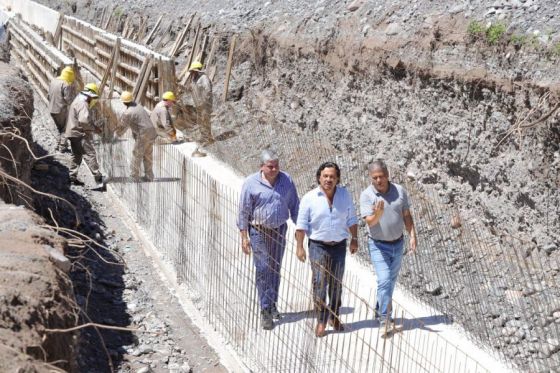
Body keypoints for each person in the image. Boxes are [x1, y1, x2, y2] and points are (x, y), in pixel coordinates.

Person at [237, 150, 299, 330]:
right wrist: (244, 236)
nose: (274, 169)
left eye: (276, 166)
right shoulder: (251, 183)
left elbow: (294, 204)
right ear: (261, 167)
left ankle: (272, 305)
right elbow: (243, 211)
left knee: (275, 269)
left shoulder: (286, 180)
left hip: (279, 230)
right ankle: (265, 310)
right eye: (270, 166)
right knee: (263, 269)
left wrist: (301, 230)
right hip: (258, 231)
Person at [295, 162, 358, 337]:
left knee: (336, 283)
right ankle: (322, 320)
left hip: (339, 246)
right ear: (319, 177)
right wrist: (299, 247)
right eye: (325, 176)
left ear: (337, 179)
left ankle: (335, 316)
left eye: (332, 176)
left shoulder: (345, 195)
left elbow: (352, 218)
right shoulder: (309, 197)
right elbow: (301, 225)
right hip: (318, 246)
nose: (328, 179)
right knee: (320, 283)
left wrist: (355, 239)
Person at [359, 159, 417, 330]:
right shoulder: (367, 195)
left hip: (398, 244)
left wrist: (412, 234)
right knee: (384, 280)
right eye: (375, 177)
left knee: (390, 281)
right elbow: (369, 222)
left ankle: (380, 308)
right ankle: (385, 318)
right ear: (370, 177)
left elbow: (406, 215)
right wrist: (378, 213)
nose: (379, 181)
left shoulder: (400, 191)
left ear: (387, 175)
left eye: (381, 176)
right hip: (378, 245)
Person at [65, 83, 104, 186]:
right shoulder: (83, 103)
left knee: (77, 155)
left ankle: (72, 177)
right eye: (93, 97)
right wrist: (94, 128)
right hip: (78, 133)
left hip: (72, 132)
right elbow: (84, 121)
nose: (93, 100)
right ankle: (99, 179)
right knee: (90, 154)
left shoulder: (78, 99)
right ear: (90, 95)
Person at [118, 91, 159, 181]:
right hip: (152, 131)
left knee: (137, 154)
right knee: (147, 155)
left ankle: (134, 176)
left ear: (124, 102)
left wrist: (116, 134)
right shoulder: (138, 106)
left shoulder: (128, 112)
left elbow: (122, 127)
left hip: (143, 134)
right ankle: (149, 176)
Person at [186, 61, 213, 157]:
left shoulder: (204, 78)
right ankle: (203, 136)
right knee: (200, 120)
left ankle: (208, 138)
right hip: (198, 104)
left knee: (205, 120)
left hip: (204, 104)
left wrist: (203, 101)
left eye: (193, 71)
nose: (191, 73)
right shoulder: (195, 78)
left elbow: (208, 91)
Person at [48, 66, 76, 152]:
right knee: (66, 128)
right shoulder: (66, 85)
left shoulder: (53, 81)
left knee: (58, 128)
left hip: (52, 109)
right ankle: (62, 147)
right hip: (60, 110)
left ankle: (57, 145)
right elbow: (69, 100)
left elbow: (48, 95)